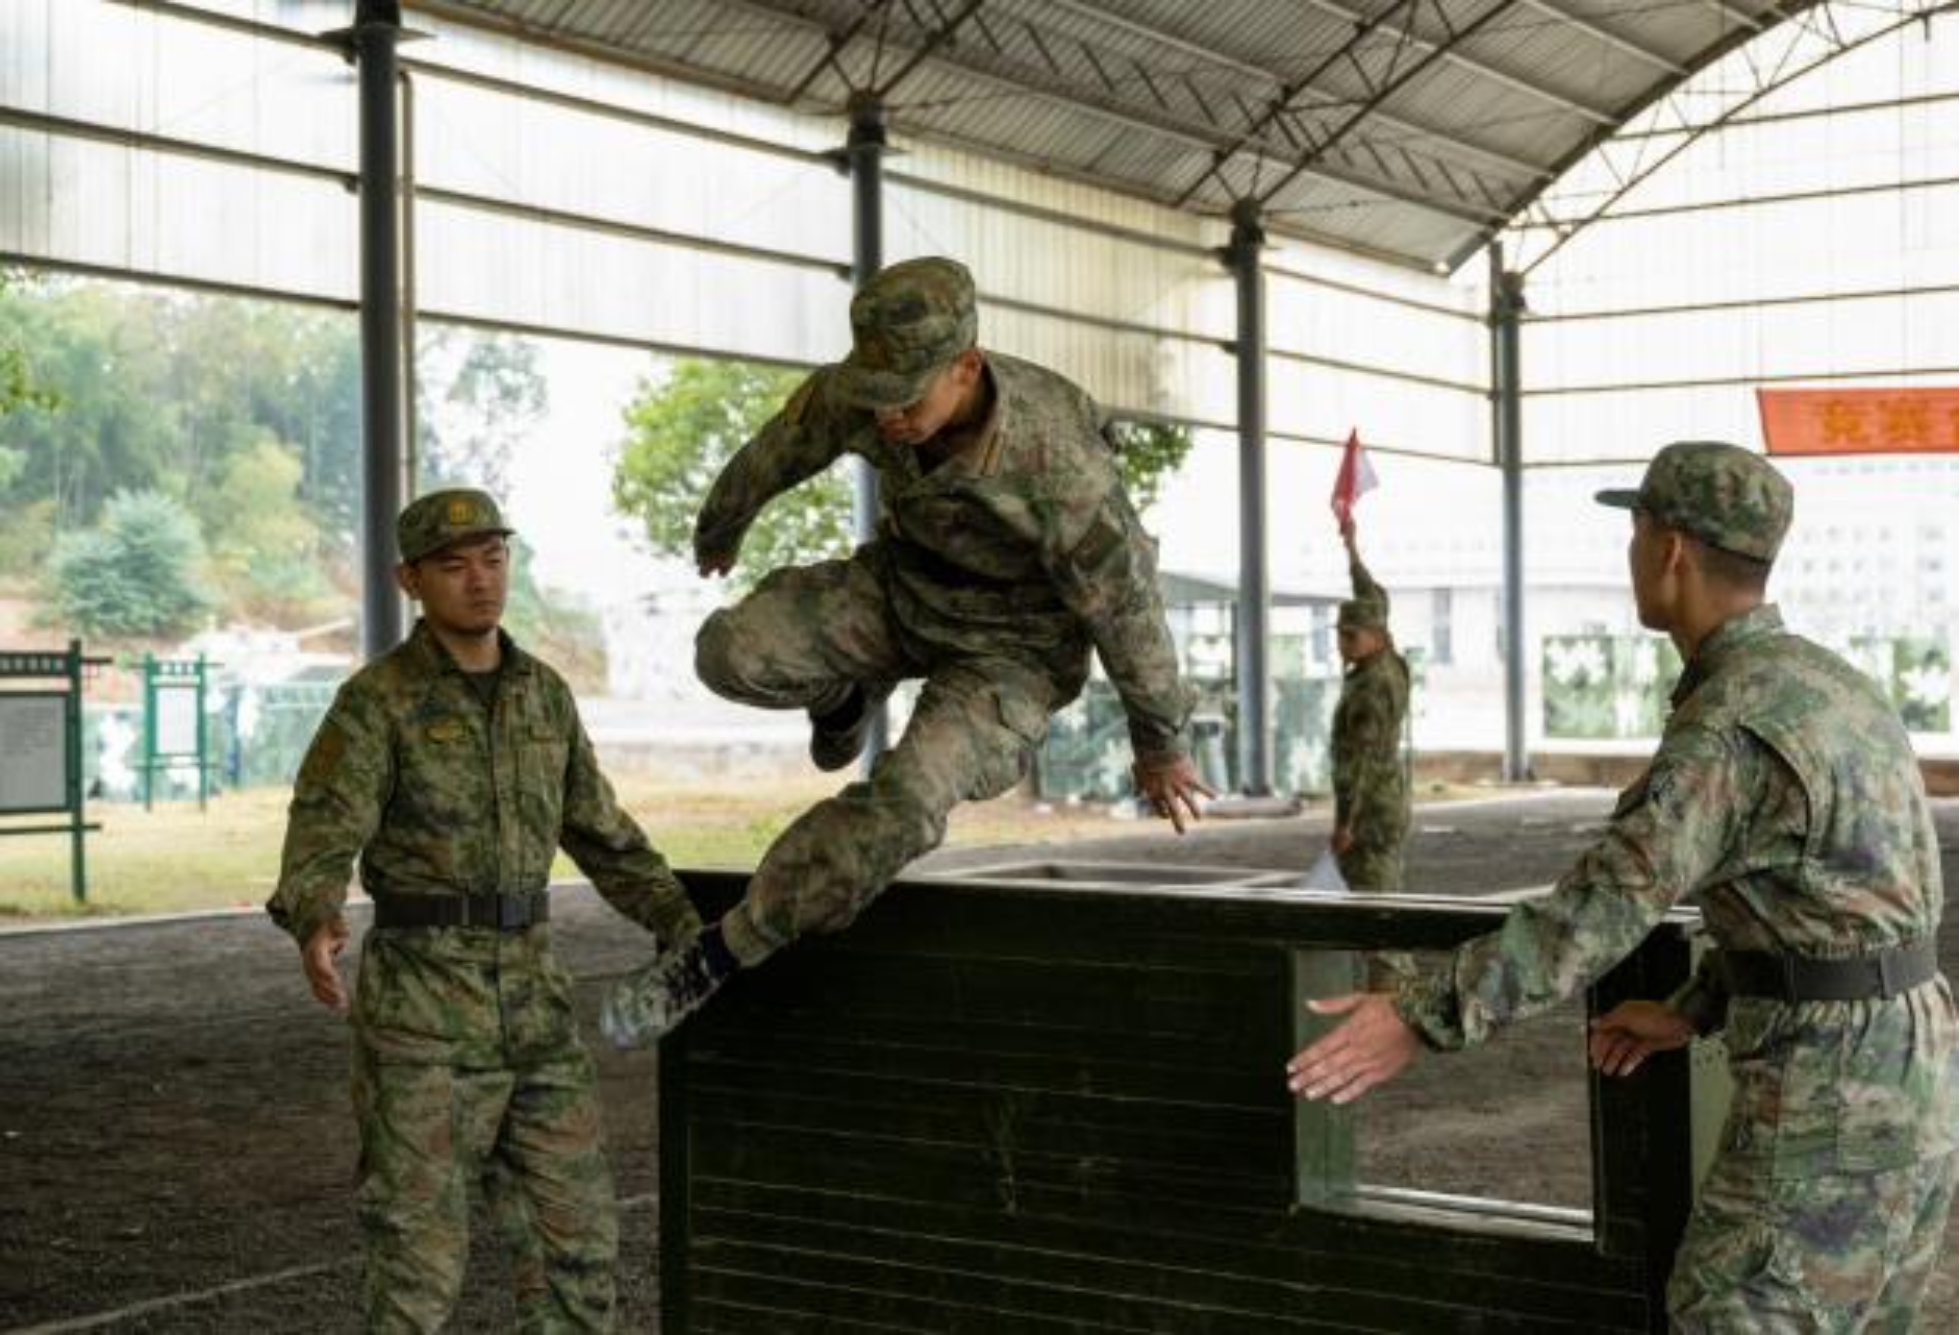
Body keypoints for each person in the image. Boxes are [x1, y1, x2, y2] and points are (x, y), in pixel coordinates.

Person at [1285, 441, 1956, 1329]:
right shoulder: (1831, 683)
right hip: (1918, 1072)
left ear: (1669, 547)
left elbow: (1601, 908)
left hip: (1830, 1097)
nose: (1631, 553)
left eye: (1634, 531)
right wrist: (1697, 1004)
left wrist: (1422, 1010)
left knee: (1732, 1309)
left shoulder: (1729, 722)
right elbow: (1844, 898)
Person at [600, 255, 1209, 1045]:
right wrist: (723, 521)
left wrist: (1160, 741)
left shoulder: (1060, 461)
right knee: (731, 652)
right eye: (876, 396)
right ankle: (846, 697)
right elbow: (787, 441)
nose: (887, 417)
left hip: (1012, 652)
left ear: (966, 367)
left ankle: (720, 952)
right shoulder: (870, 390)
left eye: (907, 400)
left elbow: (1127, 608)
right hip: (904, 592)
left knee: (907, 805)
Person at [267, 488, 703, 1334]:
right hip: (423, 1021)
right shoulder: (378, 700)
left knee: (579, 1248)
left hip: (535, 1015)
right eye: (454, 565)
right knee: (419, 1260)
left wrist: (685, 922)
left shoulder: (545, 694)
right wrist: (314, 913)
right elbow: (325, 820)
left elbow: (602, 832)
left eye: (494, 559)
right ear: (410, 580)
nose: (480, 580)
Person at [1330, 516, 1411, 894]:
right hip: (1387, 801)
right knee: (1379, 895)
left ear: (1376, 636)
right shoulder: (1386, 659)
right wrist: (1351, 548)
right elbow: (1370, 594)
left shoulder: (1371, 687)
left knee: (1372, 905)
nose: (1343, 644)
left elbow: (1360, 761)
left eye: (1351, 636)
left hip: (1369, 813)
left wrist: (1346, 823)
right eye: (1340, 635)